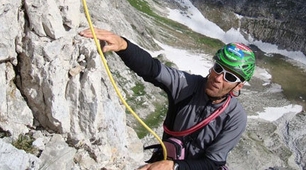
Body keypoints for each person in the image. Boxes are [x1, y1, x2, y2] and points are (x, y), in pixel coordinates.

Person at [79, 28, 256, 170]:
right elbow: (153, 69)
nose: (218, 77)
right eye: (218, 68)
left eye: (230, 77)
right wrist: (124, 45)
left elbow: (213, 162)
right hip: (167, 161)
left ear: (239, 86)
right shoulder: (187, 85)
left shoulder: (236, 117)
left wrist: (173, 166)